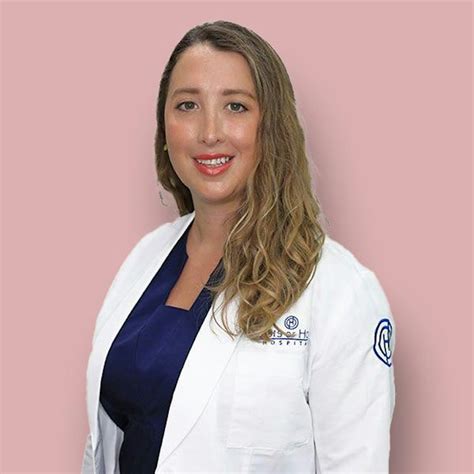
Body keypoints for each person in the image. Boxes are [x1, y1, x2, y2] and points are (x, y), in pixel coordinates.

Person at [81, 20, 396, 474]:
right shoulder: (144, 259)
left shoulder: (341, 291)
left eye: (235, 106)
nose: (210, 132)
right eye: (187, 105)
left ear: (271, 126)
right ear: (165, 128)